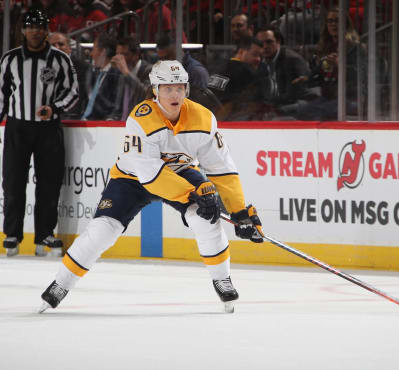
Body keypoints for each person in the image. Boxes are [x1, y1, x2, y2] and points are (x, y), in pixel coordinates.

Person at [38, 60, 263, 314]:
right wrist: (194, 193)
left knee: (206, 218)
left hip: (180, 172)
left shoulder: (203, 118)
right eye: (167, 88)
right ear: (155, 90)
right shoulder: (140, 120)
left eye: (180, 87)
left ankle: (222, 278)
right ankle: (61, 283)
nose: (174, 94)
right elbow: (151, 176)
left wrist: (240, 212)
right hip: (132, 178)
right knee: (103, 231)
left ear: (187, 89)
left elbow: (222, 169)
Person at [0, 9, 78, 257]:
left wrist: (54, 108)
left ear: (46, 30)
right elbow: (1, 95)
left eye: (40, 26)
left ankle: (45, 233)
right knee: (12, 181)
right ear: (23, 30)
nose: (35, 30)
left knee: (49, 183)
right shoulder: (9, 59)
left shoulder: (60, 60)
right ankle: (12, 234)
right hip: (17, 127)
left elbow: (73, 93)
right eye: (30, 26)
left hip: (48, 128)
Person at [255, 26, 313, 110]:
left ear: (278, 41)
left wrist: (265, 103)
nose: (264, 46)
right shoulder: (260, 60)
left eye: (269, 42)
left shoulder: (292, 60)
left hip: (301, 104)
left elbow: (292, 95)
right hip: (277, 103)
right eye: (261, 43)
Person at [208, 36, 264, 120]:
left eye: (260, 56)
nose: (258, 59)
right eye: (255, 54)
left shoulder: (217, 66)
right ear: (241, 52)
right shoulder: (248, 72)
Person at [48, 32, 91, 118]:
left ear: (69, 48)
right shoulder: (42, 68)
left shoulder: (83, 67)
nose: (57, 47)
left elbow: (84, 96)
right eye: (53, 45)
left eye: (61, 44)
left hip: (73, 118)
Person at [81, 33, 122, 120]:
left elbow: (114, 108)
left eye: (93, 49)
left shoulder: (117, 75)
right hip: (85, 121)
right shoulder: (93, 73)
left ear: (103, 52)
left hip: (103, 125)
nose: (91, 54)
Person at [111, 36, 152, 121]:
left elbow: (146, 94)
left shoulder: (149, 70)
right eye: (117, 54)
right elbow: (117, 106)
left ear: (136, 55)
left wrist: (127, 73)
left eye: (123, 54)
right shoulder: (120, 73)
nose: (120, 58)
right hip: (120, 124)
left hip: (141, 122)